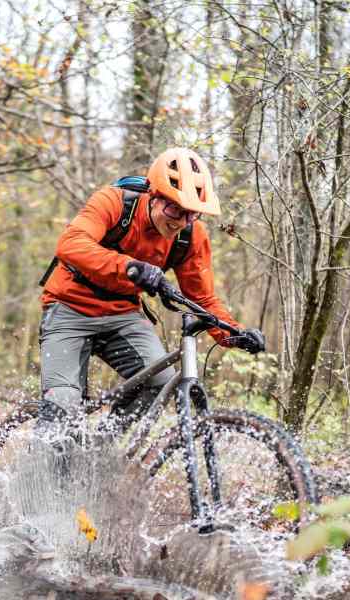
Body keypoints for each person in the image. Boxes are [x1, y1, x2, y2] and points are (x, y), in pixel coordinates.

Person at [38, 147, 266, 433]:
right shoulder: (114, 202)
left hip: (123, 314)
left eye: (191, 214)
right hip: (68, 309)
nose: (180, 221)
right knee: (62, 404)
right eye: (174, 209)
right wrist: (130, 267)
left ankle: (100, 450)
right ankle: (33, 475)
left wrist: (234, 335)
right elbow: (71, 244)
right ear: (153, 196)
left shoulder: (190, 237)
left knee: (159, 383)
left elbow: (203, 296)